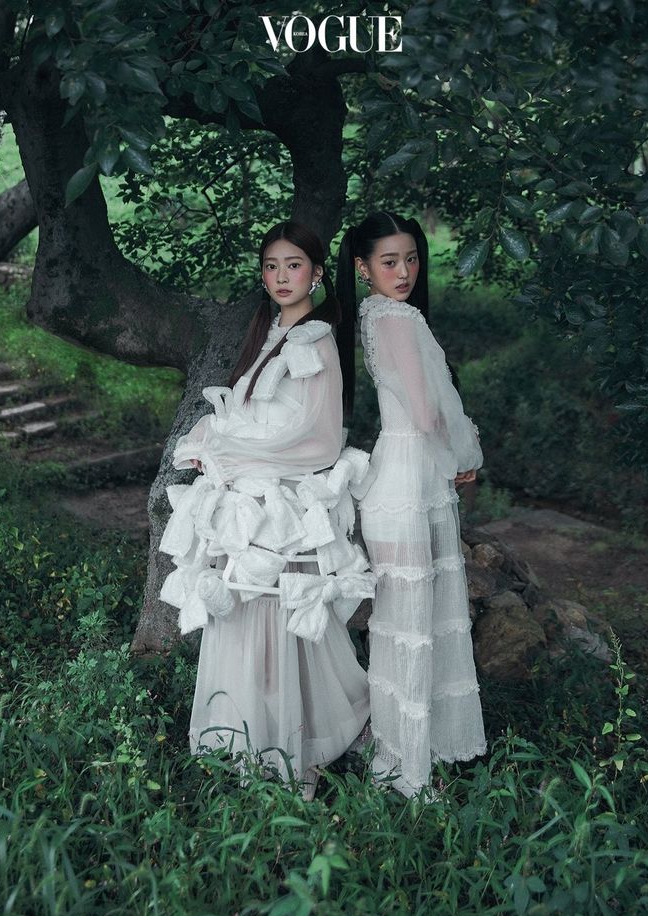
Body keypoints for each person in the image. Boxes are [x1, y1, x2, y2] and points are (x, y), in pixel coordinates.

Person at [159, 221, 373, 800]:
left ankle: (288, 744)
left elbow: (314, 435)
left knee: (277, 622)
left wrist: (227, 449)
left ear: (318, 272)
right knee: (241, 617)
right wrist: (219, 446)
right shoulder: (271, 333)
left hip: (279, 506)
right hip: (249, 497)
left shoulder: (314, 340)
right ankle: (244, 736)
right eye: (273, 266)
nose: (282, 277)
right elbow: (253, 414)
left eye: (294, 265)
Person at [336, 211, 486, 797]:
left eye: (411, 259)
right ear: (363, 266)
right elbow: (428, 414)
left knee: (402, 624)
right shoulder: (397, 317)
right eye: (389, 261)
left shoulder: (374, 314)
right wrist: (462, 452)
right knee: (414, 624)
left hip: (396, 476)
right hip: (409, 480)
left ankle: (405, 751)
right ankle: (409, 769)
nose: (403, 272)